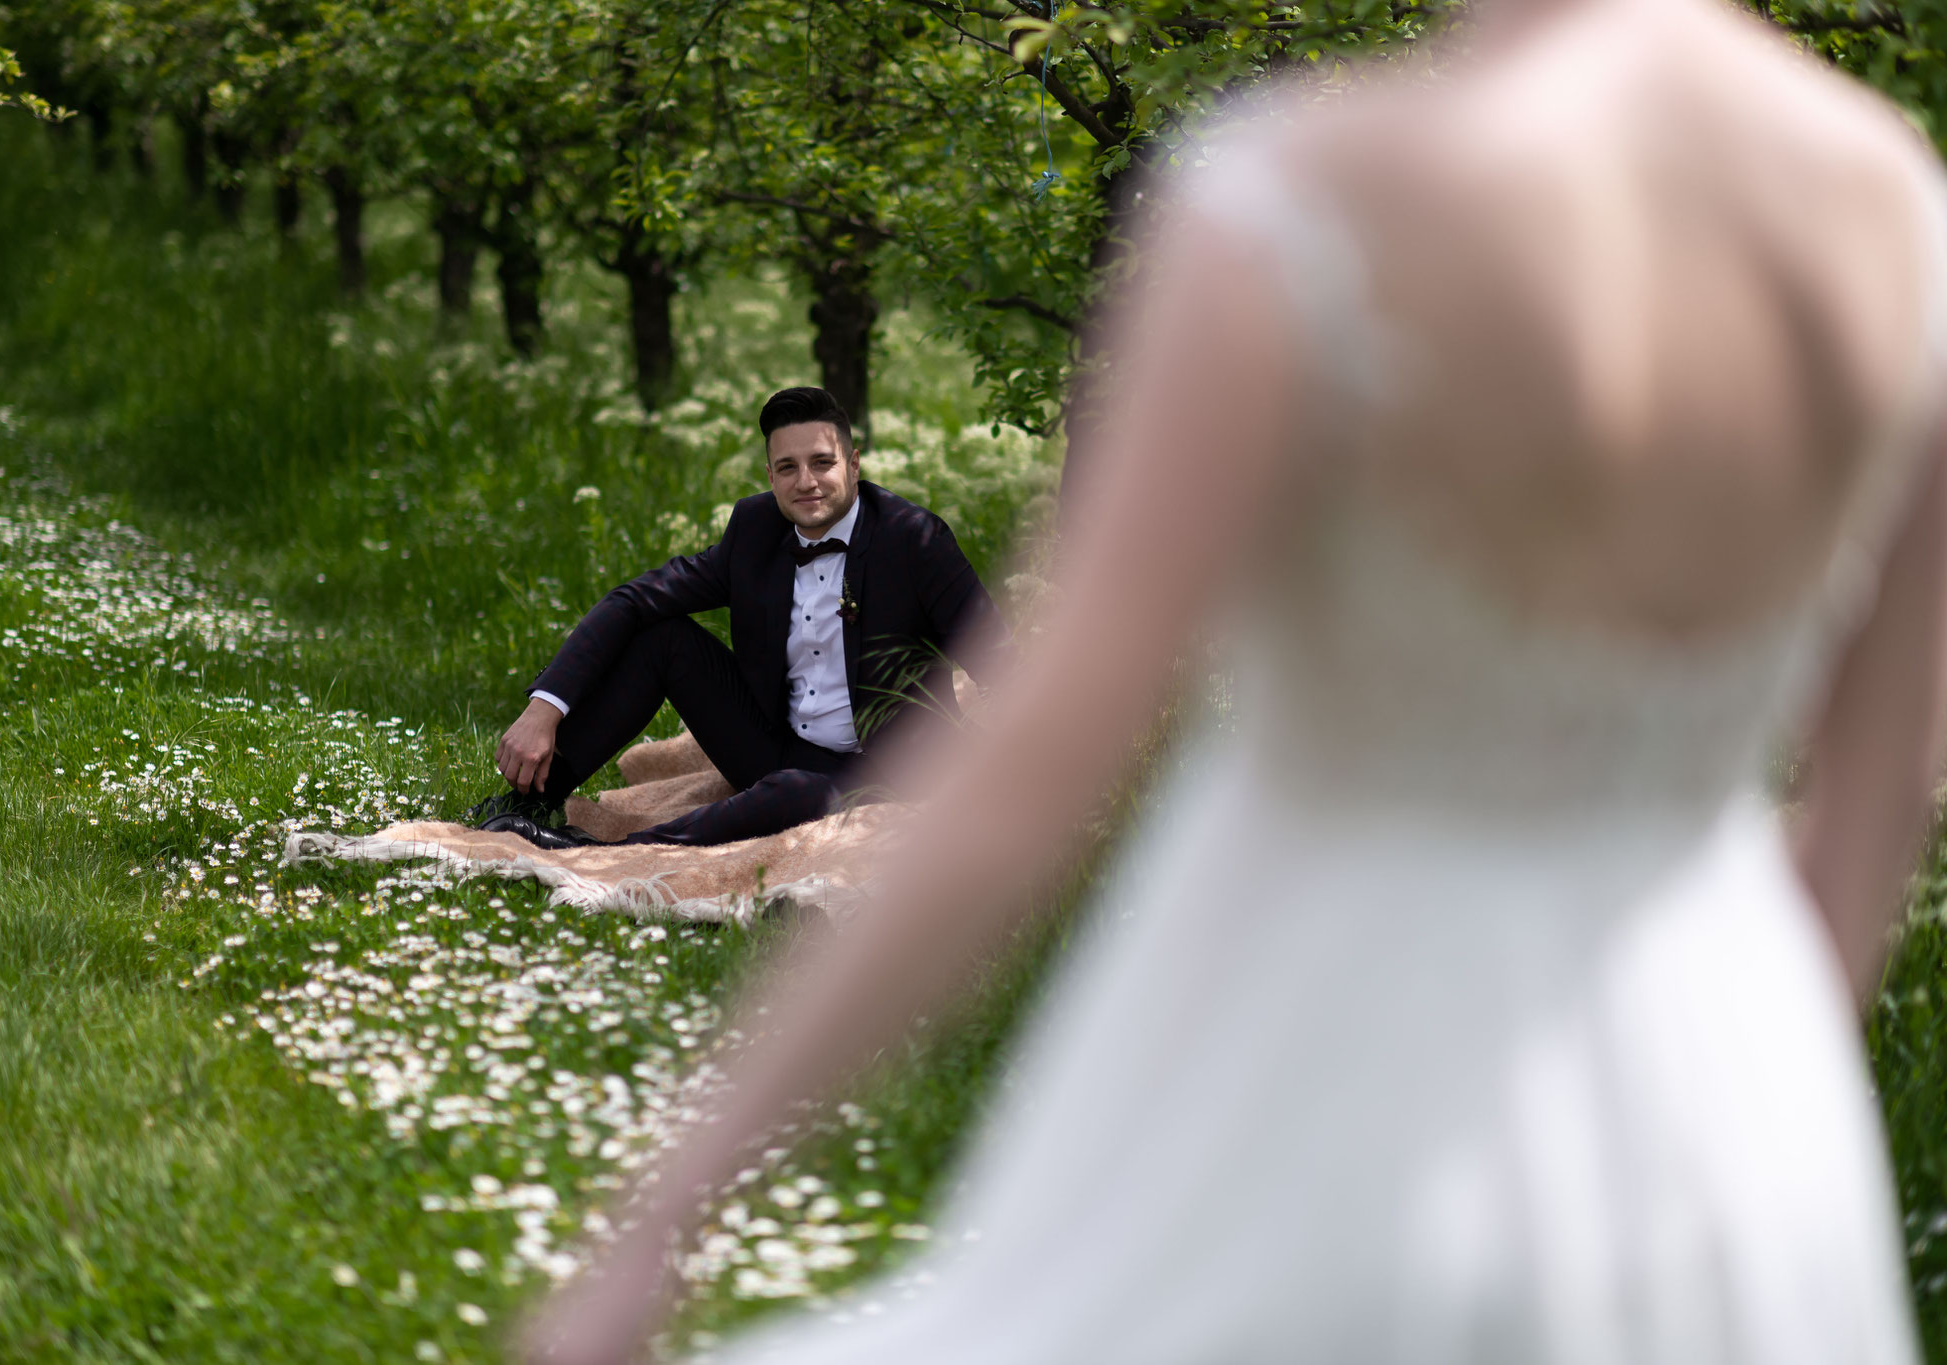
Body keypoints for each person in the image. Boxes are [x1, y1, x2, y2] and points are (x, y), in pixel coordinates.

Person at [519, 0, 1947, 1356]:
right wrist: (1737, 1139)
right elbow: (1877, 811)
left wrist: (669, 1208)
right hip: (1739, 1123)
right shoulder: (1893, 215)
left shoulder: (1308, 193)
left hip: (1311, 1066)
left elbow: (1033, 763)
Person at [472, 386, 1008, 849]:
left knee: (800, 795)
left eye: (822, 462)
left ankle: (609, 850)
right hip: (776, 743)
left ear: (854, 463)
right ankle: (528, 804)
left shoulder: (915, 540)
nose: (807, 482)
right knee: (662, 638)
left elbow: (999, 661)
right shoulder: (755, 529)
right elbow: (635, 598)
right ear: (770, 476)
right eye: (787, 468)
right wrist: (545, 707)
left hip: (886, 770)